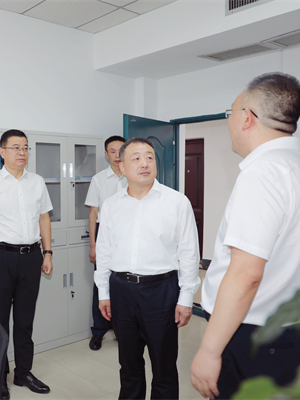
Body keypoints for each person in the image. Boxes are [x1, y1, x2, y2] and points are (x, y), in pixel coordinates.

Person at [190, 72, 300, 399]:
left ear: (246, 118)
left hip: (250, 338)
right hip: (290, 332)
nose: (228, 122)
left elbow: (246, 275)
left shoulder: (263, 174)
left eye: (230, 113)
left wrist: (209, 350)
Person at [95, 137, 200, 399]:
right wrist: (104, 292)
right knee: (129, 365)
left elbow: (189, 253)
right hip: (121, 291)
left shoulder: (177, 202)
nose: (145, 163)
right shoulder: (111, 205)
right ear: (121, 166)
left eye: (150, 157)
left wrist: (186, 298)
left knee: (164, 367)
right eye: (137, 158)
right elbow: (104, 251)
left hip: (161, 291)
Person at [0, 129, 53, 399]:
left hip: (31, 256)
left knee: (25, 320)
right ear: (2, 151)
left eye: (26, 147)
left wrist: (48, 253)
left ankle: (23, 373)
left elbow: (44, 218)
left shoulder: (37, 182)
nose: (22, 152)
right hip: (0, 257)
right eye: (16, 147)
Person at [85, 135, 126, 351]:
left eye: (121, 150)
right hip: (104, 234)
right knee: (101, 284)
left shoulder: (134, 176)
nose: (117, 155)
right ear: (106, 154)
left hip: (128, 234)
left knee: (124, 284)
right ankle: (99, 332)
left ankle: (122, 329)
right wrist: (93, 245)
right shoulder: (98, 179)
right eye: (113, 151)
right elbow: (93, 213)